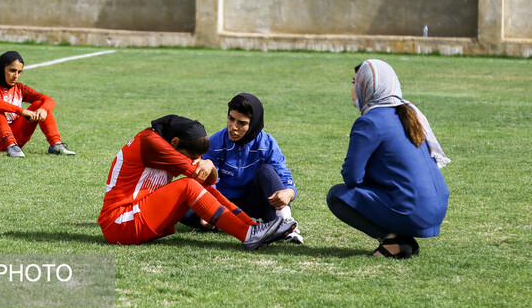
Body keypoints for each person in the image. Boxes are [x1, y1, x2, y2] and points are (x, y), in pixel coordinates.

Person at [98, 114, 297, 250]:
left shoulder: (169, 141)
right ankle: (248, 234)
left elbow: (210, 179)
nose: (196, 161)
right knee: (189, 185)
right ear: (175, 143)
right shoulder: (152, 143)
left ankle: (253, 228)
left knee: (198, 185)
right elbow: (206, 175)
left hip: (136, 215)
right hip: (119, 222)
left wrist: (208, 164)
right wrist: (208, 164)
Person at [326, 59, 450, 258]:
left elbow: (352, 176)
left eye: (354, 82)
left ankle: (394, 241)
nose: (352, 88)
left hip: (412, 209)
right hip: (436, 206)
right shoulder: (409, 114)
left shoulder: (369, 122)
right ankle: (403, 239)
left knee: (336, 195)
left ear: (367, 86)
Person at [183, 93, 303, 244]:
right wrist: (208, 210)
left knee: (266, 170)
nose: (233, 127)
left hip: (256, 202)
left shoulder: (267, 143)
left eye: (242, 123)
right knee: (183, 209)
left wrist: (289, 192)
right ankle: (240, 223)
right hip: (224, 203)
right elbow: (205, 182)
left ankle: (287, 225)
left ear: (253, 124)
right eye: (231, 118)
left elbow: (283, 174)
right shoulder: (216, 142)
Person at [0, 51, 75, 157]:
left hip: (9, 141)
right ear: (1, 69)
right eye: (12, 71)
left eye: (19, 72)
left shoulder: (20, 88)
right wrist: (21, 111)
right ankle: (11, 145)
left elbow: (48, 99)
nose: (16, 76)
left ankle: (55, 145)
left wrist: (43, 109)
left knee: (40, 104)